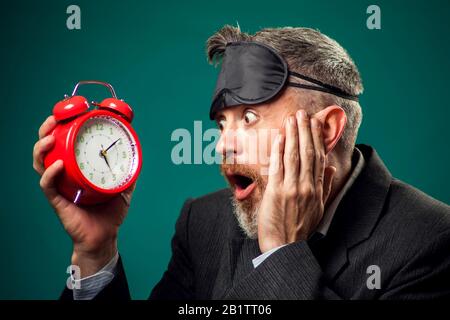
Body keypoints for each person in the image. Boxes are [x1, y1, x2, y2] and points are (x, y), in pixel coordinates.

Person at [33, 25, 450, 300]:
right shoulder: (205, 222)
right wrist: (96, 253)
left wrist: (283, 252)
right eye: (220, 125)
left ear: (326, 131)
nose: (222, 148)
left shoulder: (431, 242)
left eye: (249, 118)